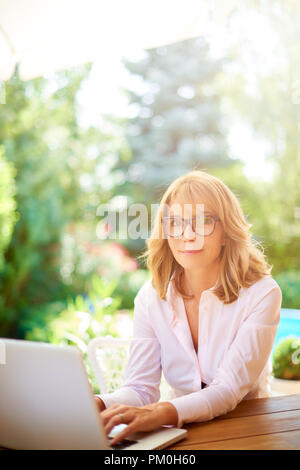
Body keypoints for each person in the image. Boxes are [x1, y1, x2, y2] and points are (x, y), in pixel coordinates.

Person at [94, 170, 282, 446]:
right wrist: (98, 403)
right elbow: (140, 389)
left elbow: (227, 390)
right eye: (175, 222)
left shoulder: (262, 294)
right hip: (178, 432)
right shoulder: (151, 297)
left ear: (226, 232)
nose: (187, 235)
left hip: (245, 429)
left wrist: (164, 412)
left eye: (203, 221)